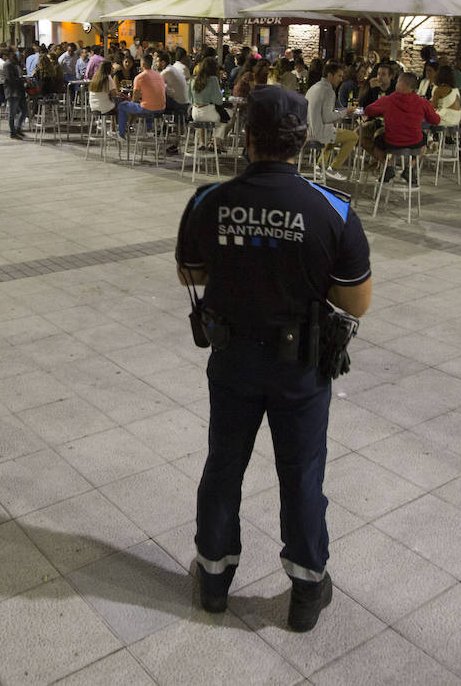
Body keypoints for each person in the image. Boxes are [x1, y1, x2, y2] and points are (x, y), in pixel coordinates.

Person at [175, 85, 372, 633]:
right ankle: (307, 589)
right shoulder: (334, 209)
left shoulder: (206, 201)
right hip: (300, 366)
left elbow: (190, 274)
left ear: (245, 137)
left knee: (223, 465)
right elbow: (355, 300)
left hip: (233, 358)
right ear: (304, 138)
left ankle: (213, 578)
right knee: (302, 474)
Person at [364, 70, 440, 178]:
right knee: (424, 140)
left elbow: (368, 110)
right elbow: (435, 120)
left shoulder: (388, 100)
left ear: (400, 83)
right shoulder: (422, 102)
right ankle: (410, 167)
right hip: (414, 142)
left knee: (377, 144)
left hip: (391, 141)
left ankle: (388, 166)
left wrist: (383, 112)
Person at [306, 64, 358, 179]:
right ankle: (334, 168)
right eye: (339, 76)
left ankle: (320, 165)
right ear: (330, 75)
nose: (341, 79)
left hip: (308, 131)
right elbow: (327, 118)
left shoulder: (313, 88)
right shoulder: (329, 91)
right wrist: (345, 111)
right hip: (320, 133)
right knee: (353, 136)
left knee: (335, 133)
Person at [116, 53, 167, 139]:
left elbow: (135, 98)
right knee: (147, 104)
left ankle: (121, 133)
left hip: (147, 108)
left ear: (142, 64)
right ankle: (149, 130)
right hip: (161, 108)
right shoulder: (159, 76)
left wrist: (130, 101)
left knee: (122, 106)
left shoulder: (139, 77)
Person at [188, 56, 230, 148]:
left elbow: (189, 99)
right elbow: (218, 101)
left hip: (195, 113)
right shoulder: (213, 80)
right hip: (208, 113)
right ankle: (214, 142)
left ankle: (202, 142)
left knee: (201, 121)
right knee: (224, 121)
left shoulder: (192, 79)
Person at [1, 49, 28, 139]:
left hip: (19, 90)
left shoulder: (15, 63)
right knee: (12, 113)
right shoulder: (8, 65)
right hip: (13, 91)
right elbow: (10, 79)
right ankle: (13, 131)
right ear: (10, 54)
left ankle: (18, 127)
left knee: (24, 110)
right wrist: (22, 80)